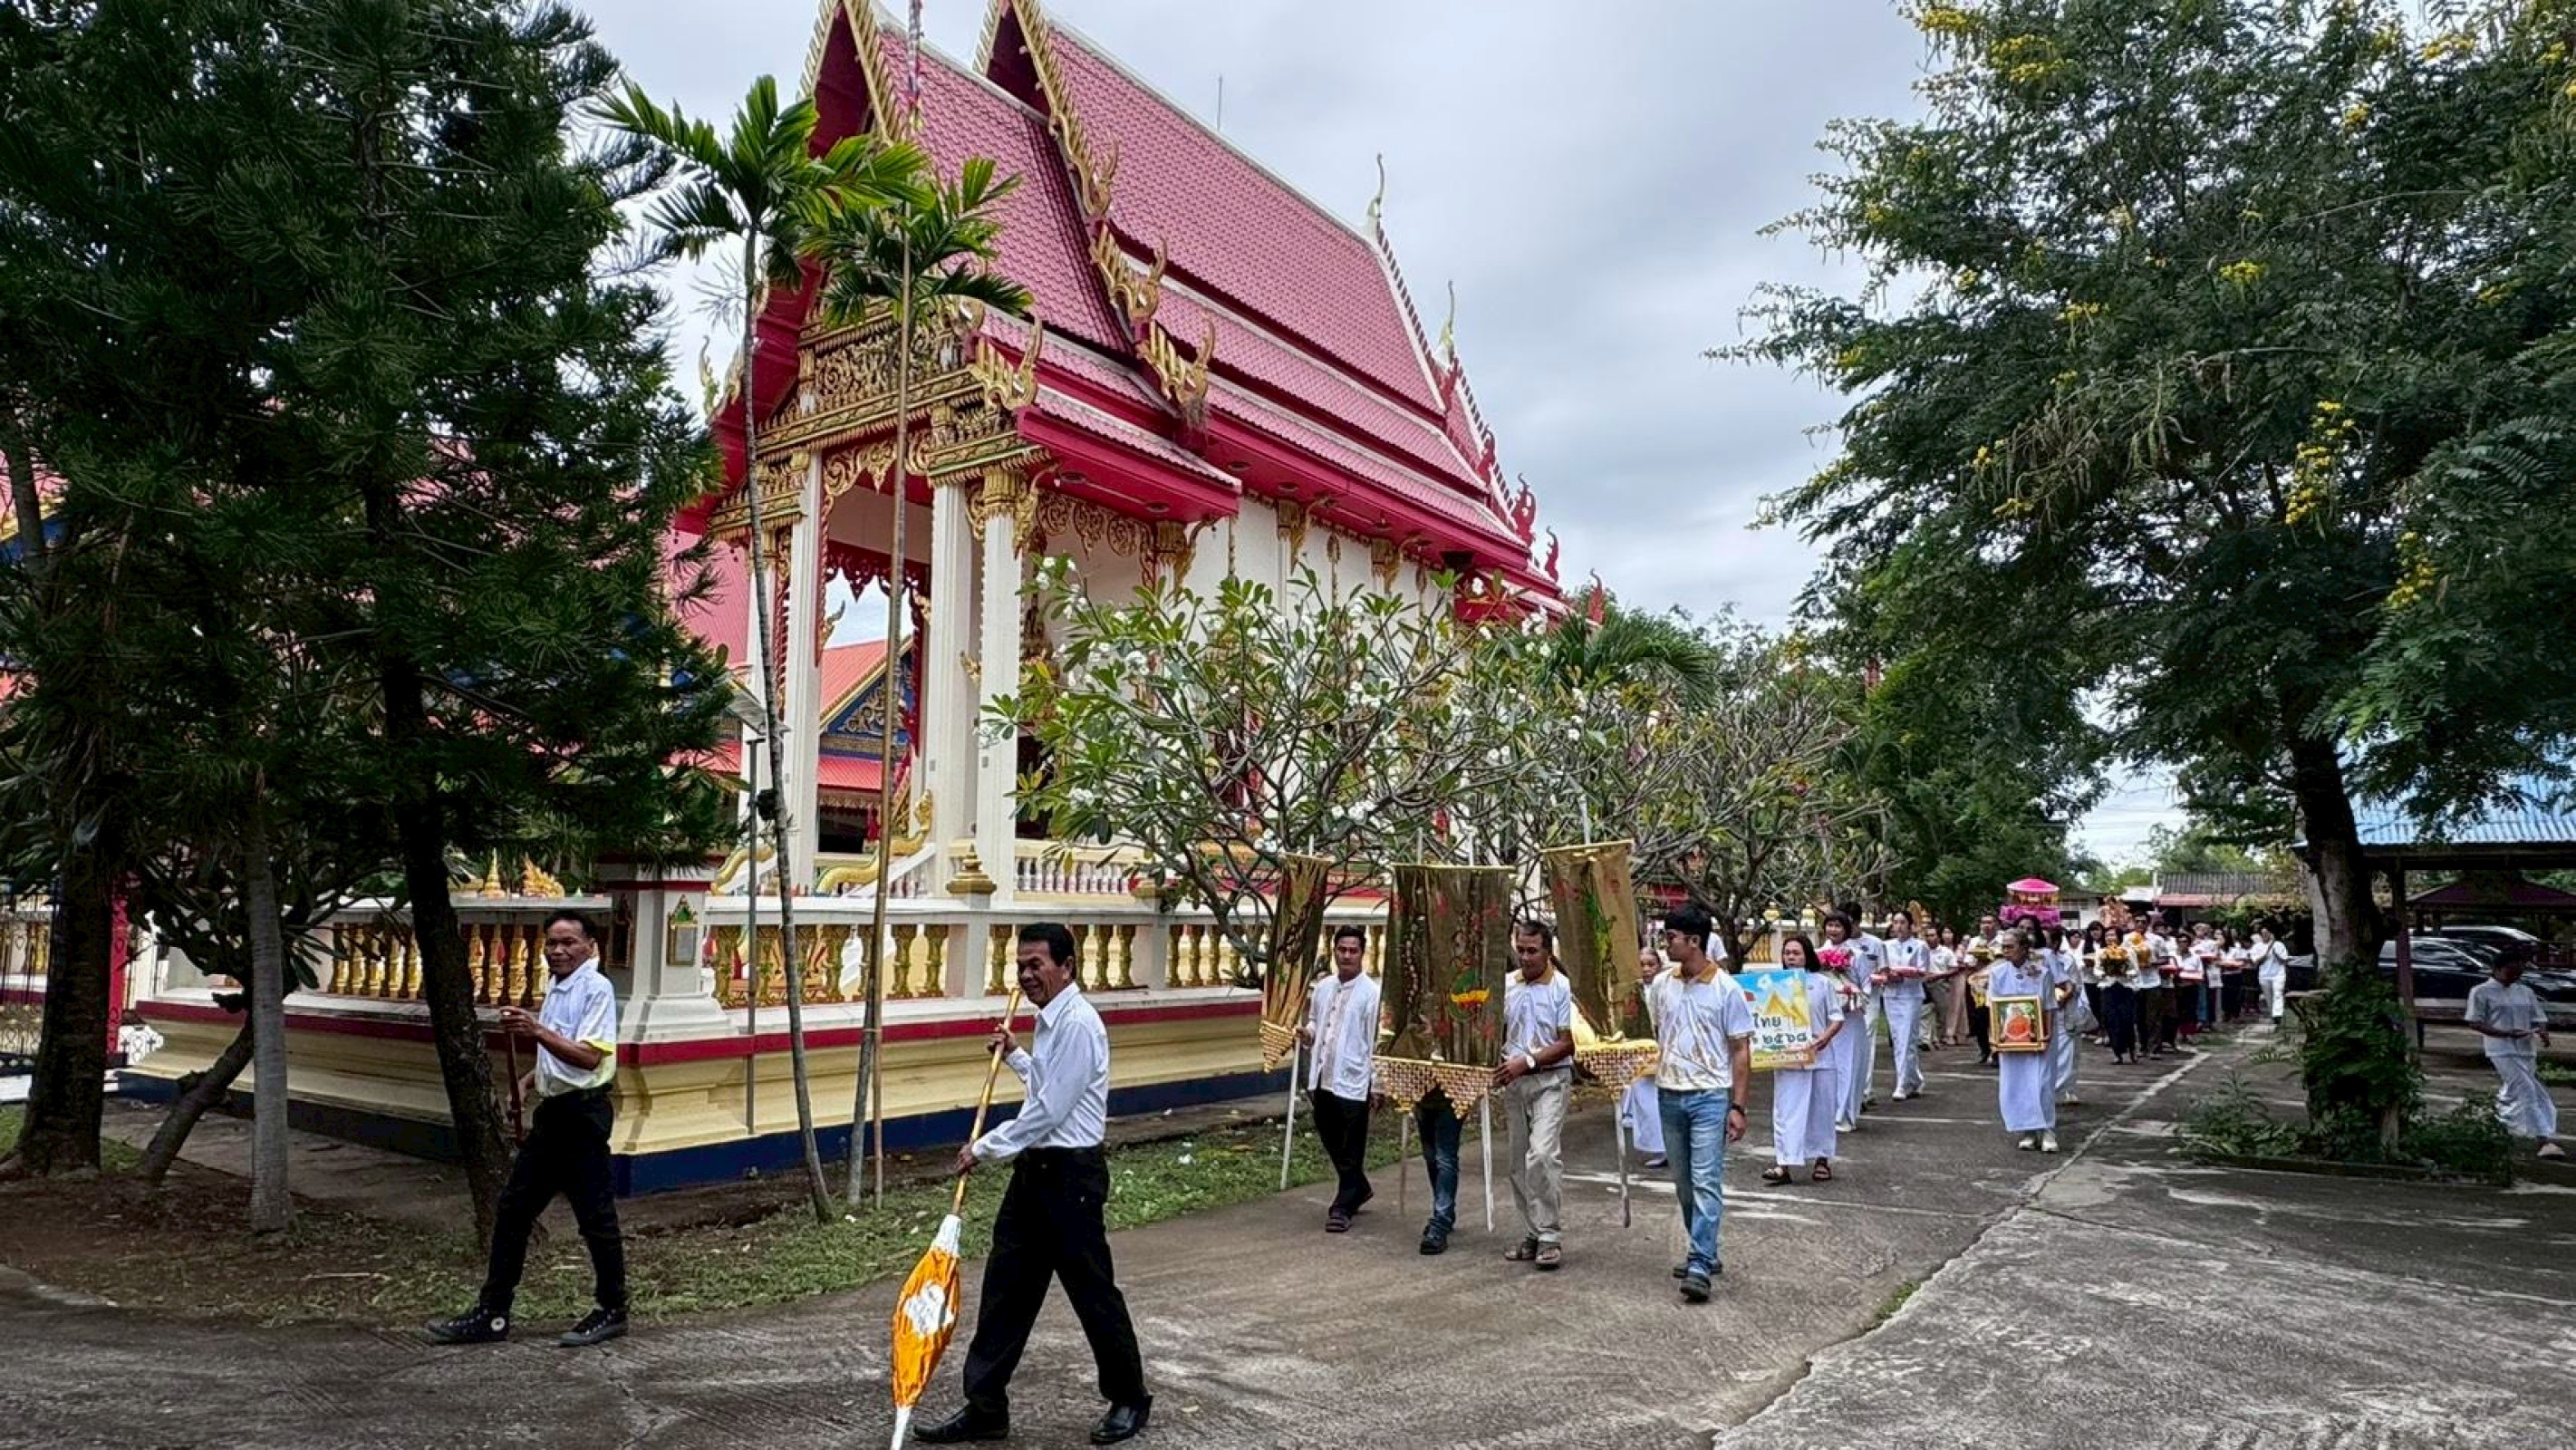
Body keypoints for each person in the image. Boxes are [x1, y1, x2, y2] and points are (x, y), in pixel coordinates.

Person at [916, 923, 1151, 1446]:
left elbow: (1049, 1111)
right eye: (1020, 966)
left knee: (1092, 1293)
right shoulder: (1051, 1021)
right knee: (1006, 1291)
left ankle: (1130, 1397)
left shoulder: (1079, 1024)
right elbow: (1050, 1086)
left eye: (1036, 965)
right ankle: (985, 1407)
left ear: (1067, 967)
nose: (1025, 975)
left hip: (1072, 1178)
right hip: (1035, 1175)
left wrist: (983, 1147)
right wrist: (1018, 1055)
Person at [426, 910, 628, 1348]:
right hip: (554, 1114)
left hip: (582, 1116)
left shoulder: (596, 988)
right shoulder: (558, 986)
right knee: (514, 1211)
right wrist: (531, 1080)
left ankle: (612, 1308)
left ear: (590, 946)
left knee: (595, 1218)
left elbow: (590, 1057)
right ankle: (493, 1313)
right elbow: (562, 1052)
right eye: (551, 943)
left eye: (568, 942)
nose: (557, 951)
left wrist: (535, 1030)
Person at [1648, 905, 1755, 1304]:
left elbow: (1741, 1049)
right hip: (1669, 1092)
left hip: (1710, 1095)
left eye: (1671, 938)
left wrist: (1737, 1106)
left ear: (1694, 941)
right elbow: (1655, 1031)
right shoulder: (1662, 984)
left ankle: (1699, 1262)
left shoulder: (1726, 989)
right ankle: (1705, 1248)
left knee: (1706, 1179)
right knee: (1683, 1182)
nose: (1666, 944)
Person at [1495, 919, 1577, 1270]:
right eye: (1521, 950)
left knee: (1541, 1155)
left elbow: (1567, 1042)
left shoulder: (1561, 988)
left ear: (1547, 951)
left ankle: (1549, 1235)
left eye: (1532, 951)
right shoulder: (1506, 985)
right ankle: (1531, 1233)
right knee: (1517, 1162)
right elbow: (1494, 1031)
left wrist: (1527, 1062)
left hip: (1550, 1080)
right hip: (1514, 1083)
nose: (1526, 957)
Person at [1300, 924, 1380, 1234]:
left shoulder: (1372, 994)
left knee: (1351, 1143)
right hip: (1323, 1075)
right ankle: (1358, 1186)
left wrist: (1378, 1084)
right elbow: (1315, 1022)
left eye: (1352, 951)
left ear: (1362, 954)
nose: (1346, 956)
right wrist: (1307, 1034)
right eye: (1342, 950)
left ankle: (1343, 1205)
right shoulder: (1323, 988)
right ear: (1333, 951)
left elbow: (1377, 1041)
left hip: (1354, 1078)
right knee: (1328, 1132)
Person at [1760, 933, 1845, 1186]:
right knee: (1786, 1111)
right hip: (1788, 1058)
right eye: (1787, 953)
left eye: (1796, 953)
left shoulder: (1822, 983)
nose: (1791, 958)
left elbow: (1836, 1017)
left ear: (1807, 956)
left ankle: (1822, 1160)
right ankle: (1783, 1164)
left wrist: (1823, 1039)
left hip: (1821, 1057)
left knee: (1822, 1110)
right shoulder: (1773, 984)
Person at [2466, 946, 2564, 1159]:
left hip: (2526, 1048)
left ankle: (2499, 1120)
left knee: (2514, 1089)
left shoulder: (2525, 991)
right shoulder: (2481, 991)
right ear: (2497, 969)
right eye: (2511, 972)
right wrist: (2505, 1033)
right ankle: (2543, 1138)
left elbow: (2538, 1017)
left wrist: (2543, 1032)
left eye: (2519, 973)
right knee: (2528, 1089)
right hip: (2501, 1049)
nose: (2515, 977)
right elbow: (2475, 1021)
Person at [1985, 931, 2064, 1153]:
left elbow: (2049, 1006)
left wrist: (2046, 1034)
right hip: (2010, 1038)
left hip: (2038, 1038)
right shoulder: (1997, 973)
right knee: (2017, 1084)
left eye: (2010, 946)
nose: (2006, 951)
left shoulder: (2042, 973)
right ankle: (2027, 1130)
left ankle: (2047, 1130)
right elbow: (1993, 1007)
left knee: (2042, 1083)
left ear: (2023, 948)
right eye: (2004, 946)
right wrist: (1995, 1037)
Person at [1838, 902, 1886, 1121]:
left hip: (1868, 1001)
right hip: (1841, 1004)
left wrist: (1875, 980)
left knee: (1867, 1042)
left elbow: (1884, 971)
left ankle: (1864, 1091)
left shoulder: (1874, 944)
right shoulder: (1833, 947)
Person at [1819, 912, 1868, 1130]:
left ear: (1846, 929)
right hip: (1827, 1019)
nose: (1833, 930)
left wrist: (1852, 999)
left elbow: (1865, 985)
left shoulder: (1857, 955)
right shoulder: (1818, 954)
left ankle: (1845, 1115)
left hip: (1851, 1018)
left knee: (1848, 1065)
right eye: (1830, 925)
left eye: (1838, 926)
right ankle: (1827, 1113)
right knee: (1829, 1065)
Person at [1879, 909, 1932, 1100]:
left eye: (1902, 922)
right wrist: (1887, 976)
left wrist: (1905, 973)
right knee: (1898, 1039)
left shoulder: (1920, 946)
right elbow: (1880, 970)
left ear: (1910, 925)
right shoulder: (1886, 946)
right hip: (1891, 995)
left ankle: (1902, 1083)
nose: (1899, 927)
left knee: (1908, 1037)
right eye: (1895, 922)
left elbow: (1923, 972)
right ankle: (1915, 1079)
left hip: (1911, 995)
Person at [1625, 947, 1667, 1168]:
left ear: (1659, 966)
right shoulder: (1633, 992)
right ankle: (1657, 1148)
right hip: (1639, 1053)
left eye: (1651, 964)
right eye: (1642, 965)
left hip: (1662, 1052)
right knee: (1646, 1102)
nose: (1647, 969)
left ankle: (1668, 1147)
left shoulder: (1665, 988)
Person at [1963, 914, 2002, 1064]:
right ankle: (1984, 1049)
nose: (1986, 926)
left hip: (1998, 984)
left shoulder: (2002, 940)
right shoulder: (1975, 942)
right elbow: (1968, 962)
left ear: (1996, 924)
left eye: (1989, 922)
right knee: (1980, 1019)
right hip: (1979, 986)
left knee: (1996, 1018)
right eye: (1983, 922)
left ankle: (1997, 1051)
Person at [1936, 924, 1972, 1048]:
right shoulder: (1939, 949)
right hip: (1943, 978)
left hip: (1958, 978)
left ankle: (1960, 1033)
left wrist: (1958, 966)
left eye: (1949, 932)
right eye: (1944, 933)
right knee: (1946, 1006)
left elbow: (1967, 963)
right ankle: (1948, 1034)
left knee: (1959, 1005)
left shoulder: (1960, 948)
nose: (1947, 935)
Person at [2253, 923, 2291, 1026]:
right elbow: (2256, 962)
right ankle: (2273, 1015)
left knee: (2278, 994)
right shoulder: (2257, 947)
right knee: (2269, 997)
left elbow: (2284, 960)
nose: (2265, 935)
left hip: (2278, 974)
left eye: (2266, 933)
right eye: (2263, 933)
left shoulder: (2279, 945)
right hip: (2264, 975)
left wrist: (2276, 954)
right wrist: (2266, 954)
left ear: (2271, 934)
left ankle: (2278, 1016)